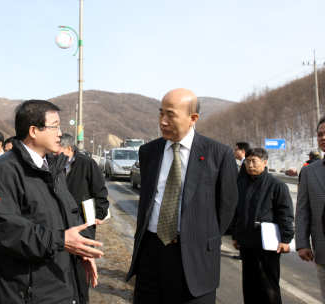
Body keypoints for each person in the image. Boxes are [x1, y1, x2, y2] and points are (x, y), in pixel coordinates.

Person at [0, 100, 103, 304]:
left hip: (57, 281)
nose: (59, 133)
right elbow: (6, 229)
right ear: (33, 131)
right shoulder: (4, 170)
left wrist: (82, 247)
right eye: (54, 126)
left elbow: (71, 212)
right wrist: (60, 241)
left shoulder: (52, 168)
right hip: (25, 292)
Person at [126, 88, 238, 303]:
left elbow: (226, 208)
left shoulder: (219, 154)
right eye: (160, 113)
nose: (163, 121)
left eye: (171, 115)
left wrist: (200, 238)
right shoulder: (149, 151)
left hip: (194, 260)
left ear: (192, 118)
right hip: (150, 254)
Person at [231, 148, 294, 304]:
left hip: (268, 245)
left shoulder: (276, 185)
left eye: (254, 161)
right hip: (246, 243)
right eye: (247, 161)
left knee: (268, 286)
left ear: (265, 162)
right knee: (249, 286)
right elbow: (236, 213)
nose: (250, 165)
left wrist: (286, 239)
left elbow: (285, 214)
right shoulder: (241, 185)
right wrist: (235, 235)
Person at [56, 133, 109, 304]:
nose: (55, 153)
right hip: (61, 222)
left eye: (59, 150)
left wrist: (100, 214)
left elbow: (99, 190)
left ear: (68, 149)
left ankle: (81, 299)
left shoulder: (87, 163)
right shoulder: (55, 164)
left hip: (83, 221)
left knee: (82, 262)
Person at [296, 116, 325, 303]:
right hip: (323, 249)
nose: (323, 137)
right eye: (320, 134)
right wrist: (302, 242)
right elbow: (303, 210)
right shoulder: (309, 171)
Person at [230, 142, 251, 258]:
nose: (234, 152)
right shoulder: (242, 164)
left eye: (236, 150)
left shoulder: (246, 164)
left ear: (243, 151)